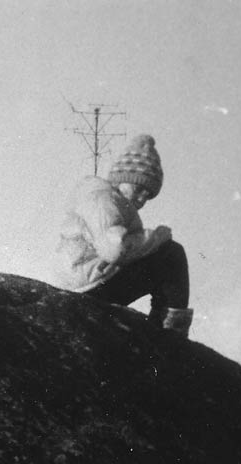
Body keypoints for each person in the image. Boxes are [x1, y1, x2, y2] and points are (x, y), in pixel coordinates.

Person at [52, 134, 194, 337]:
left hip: (88, 279)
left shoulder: (109, 200)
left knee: (163, 256)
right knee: (171, 254)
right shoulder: (103, 200)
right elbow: (115, 250)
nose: (142, 198)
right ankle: (169, 331)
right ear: (122, 179)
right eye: (138, 188)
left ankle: (162, 330)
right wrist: (155, 238)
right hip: (89, 285)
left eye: (148, 195)